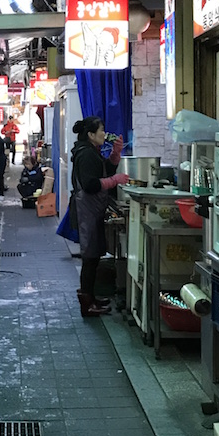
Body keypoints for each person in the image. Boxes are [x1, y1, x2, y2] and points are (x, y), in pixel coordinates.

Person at [71, 116, 129, 318]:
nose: (104, 134)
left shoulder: (91, 151)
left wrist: (115, 154)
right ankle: (87, 304)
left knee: (94, 257)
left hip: (93, 209)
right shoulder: (85, 154)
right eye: (101, 131)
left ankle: (92, 298)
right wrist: (115, 180)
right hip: (87, 209)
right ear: (91, 134)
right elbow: (90, 184)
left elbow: (104, 170)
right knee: (90, 257)